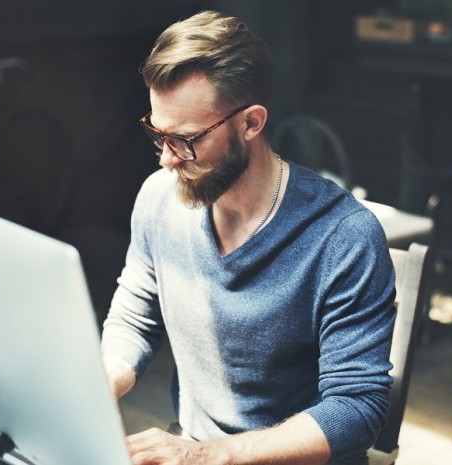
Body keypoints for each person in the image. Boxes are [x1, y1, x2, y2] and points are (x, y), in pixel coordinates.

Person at [101, 10, 396, 465]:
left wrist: (208, 456)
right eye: (159, 136)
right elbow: (136, 316)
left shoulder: (343, 237)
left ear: (251, 123)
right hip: (197, 450)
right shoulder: (159, 198)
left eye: (186, 139)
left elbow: (357, 409)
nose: (167, 160)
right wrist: (93, 387)